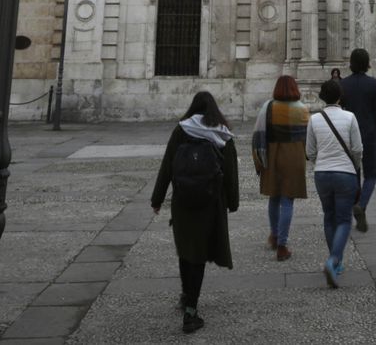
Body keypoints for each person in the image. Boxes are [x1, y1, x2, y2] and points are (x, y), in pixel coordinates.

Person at [151, 91, 239, 334]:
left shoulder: (182, 130)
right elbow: (231, 171)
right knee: (198, 254)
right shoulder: (222, 133)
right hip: (210, 202)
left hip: (183, 201)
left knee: (187, 249)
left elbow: (167, 166)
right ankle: (191, 311)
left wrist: (157, 199)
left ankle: (186, 295)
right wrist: (232, 202)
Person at [307, 78, 363, 287]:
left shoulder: (314, 119)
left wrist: (320, 163)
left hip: (322, 174)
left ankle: (336, 264)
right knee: (344, 220)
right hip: (345, 174)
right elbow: (357, 149)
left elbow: (310, 151)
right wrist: (355, 167)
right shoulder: (349, 117)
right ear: (340, 96)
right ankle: (333, 261)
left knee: (329, 217)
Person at [251, 75, 308, 260]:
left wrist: (259, 160)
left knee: (274, 197)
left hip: (273, 154)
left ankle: (274, 236)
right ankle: (282, 245)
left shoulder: (268, 107)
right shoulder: (303, 110)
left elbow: (257, 135)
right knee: (287, 201)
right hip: (294, 156)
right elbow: (308, 140)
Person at [340, 49, 376, 234]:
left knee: (354, 174)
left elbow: (340, 109)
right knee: (371, 175)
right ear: (367, 63)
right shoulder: (373, 84)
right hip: (368, 134)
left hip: (349, 135)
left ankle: (356, 205)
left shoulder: (344, 84)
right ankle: (362, 204)